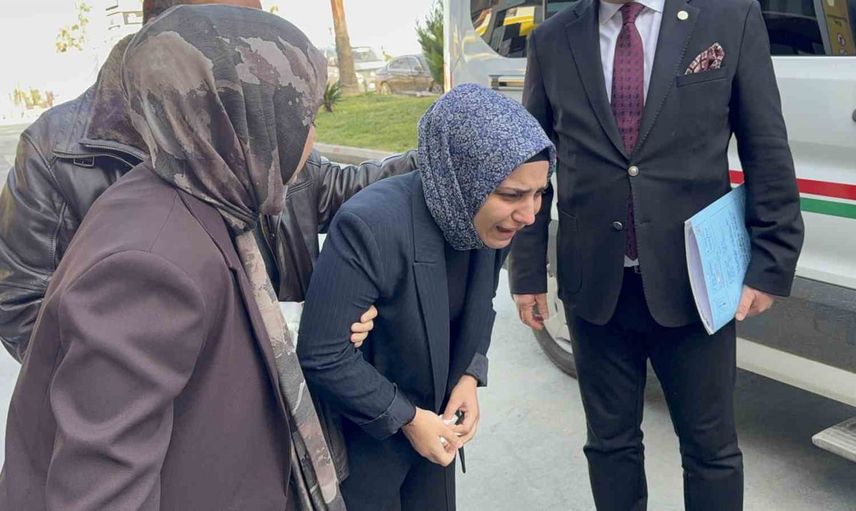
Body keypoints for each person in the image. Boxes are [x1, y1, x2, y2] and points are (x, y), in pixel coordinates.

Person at [0, 5, 344, 509]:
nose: (311, 138)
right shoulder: (151, 264)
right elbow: (102, 494)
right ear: (249, 122)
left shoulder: (204, 194)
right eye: (306, 117)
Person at [0, 0, 417, 361]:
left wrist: (439, 151)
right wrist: (221, 357)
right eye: (242, 39)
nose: (260, 54)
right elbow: (23, 311)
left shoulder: (249, 115)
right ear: (170, 43)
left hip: (289, 399)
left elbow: (337, 187)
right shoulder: (59, 151)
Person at [509, 1, 805, 510]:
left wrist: (772, 259)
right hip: (594, 284)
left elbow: (766, 147)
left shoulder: (728, 18)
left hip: (694, 283)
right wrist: (528, 272)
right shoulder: (553, 39)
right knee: (610, 445)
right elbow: (530, 164)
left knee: (711, 451)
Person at [297, 83, 555, 511]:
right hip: (366, 444)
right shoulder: (370, 225)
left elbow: (479, 304)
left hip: (434, 438)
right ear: (462, 180)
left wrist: (469, 375)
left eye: (539, 193)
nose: (529, 214)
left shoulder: (492, 223)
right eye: (512, 194)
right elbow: (323, 354)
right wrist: (408, 418)